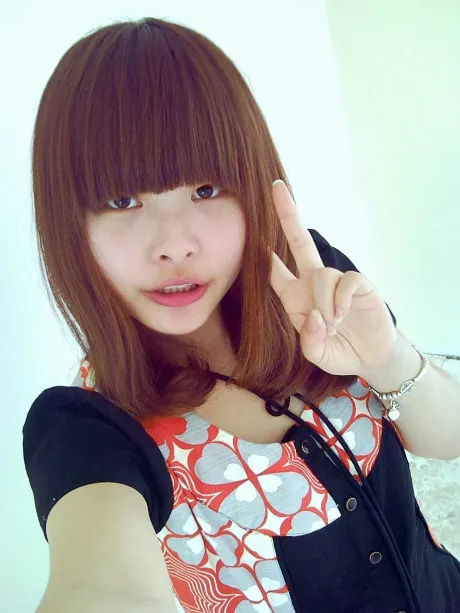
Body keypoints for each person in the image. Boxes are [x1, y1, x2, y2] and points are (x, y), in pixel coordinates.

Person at [22, 16, 460, 613]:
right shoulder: (92, 424)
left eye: (206, 190)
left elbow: (448, 439)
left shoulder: (311, 280)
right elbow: (97, 586)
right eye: (122, 201)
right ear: (70, 224)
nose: (175, 245)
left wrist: (389, 359)